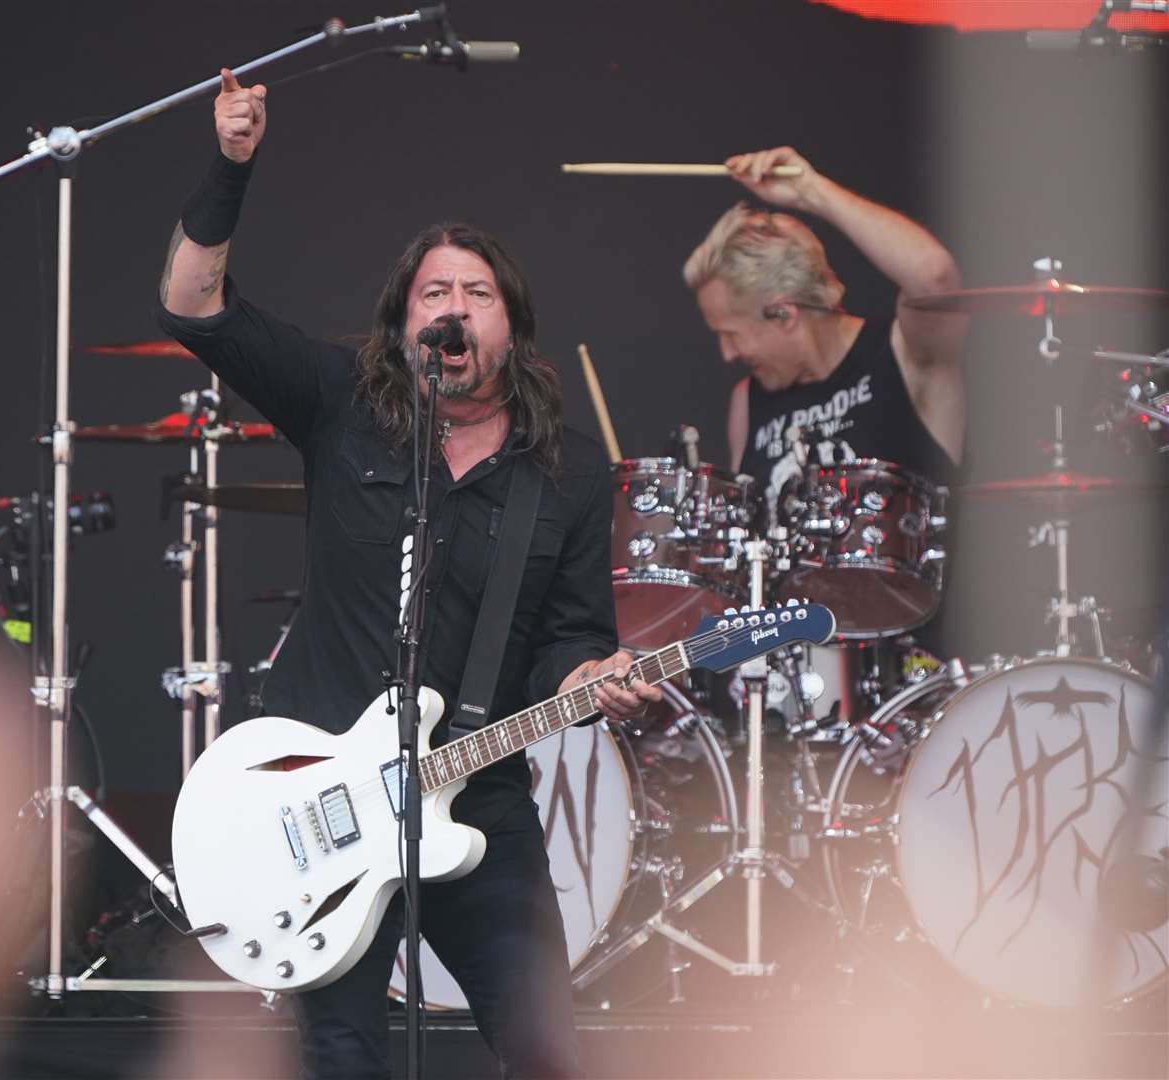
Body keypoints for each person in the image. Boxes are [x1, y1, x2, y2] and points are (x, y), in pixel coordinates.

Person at [156, 71, 662, 1079]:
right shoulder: (344, 402)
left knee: (548, 1048)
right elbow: (192, 305)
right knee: (344, 1055)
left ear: (511, 327)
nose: (456, 310)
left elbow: (570, 630)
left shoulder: (564, 475)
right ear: (402, 321)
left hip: (474, 792)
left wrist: (585, 681)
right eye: (436, 292)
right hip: (317, 799)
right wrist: (230, 164)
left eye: (478, 295)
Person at [683, 146, 966, 496]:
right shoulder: (748, 400)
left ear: (783, 314)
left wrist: (810, 190)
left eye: (731, 334)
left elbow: (934, 276)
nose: (726, 354)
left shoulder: (905, 355)